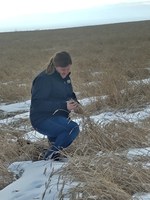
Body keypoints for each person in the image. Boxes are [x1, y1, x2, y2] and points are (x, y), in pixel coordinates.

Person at [30, 51, 82, 161]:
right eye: (63, 70)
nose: (66, 72)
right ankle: (49, 156)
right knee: (72, 128)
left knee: (60, 139)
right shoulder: (43, 79)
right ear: (56, 66)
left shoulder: (65, 77)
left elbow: (69, 94)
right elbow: (38, 104)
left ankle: (53, 155)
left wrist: (75, 103)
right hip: (41, 119)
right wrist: (64, 105)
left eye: (68, 69)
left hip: (59, 118)